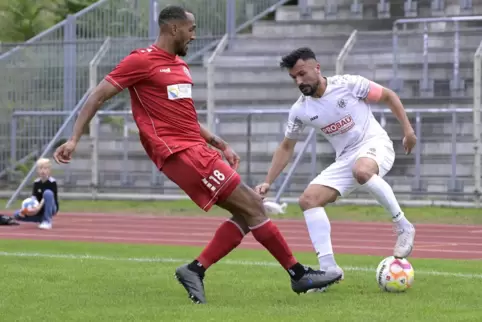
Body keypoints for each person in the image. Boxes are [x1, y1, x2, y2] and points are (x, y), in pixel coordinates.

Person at [52, 6, 342, 304]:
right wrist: (74, 138)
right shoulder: (141, 61)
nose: (194, 35)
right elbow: (97, 95)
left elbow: (186, 118)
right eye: (191, 29)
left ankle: (195, 269)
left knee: (247, 214)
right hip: (179, 153)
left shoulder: (181, 67)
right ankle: (298, 275)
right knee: (254, 205)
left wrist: (219, 143)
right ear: (173, 29)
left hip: (198, 149)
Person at [255, 47, 417, 291]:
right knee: (308, 200)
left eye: (302, 74)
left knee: (362, 171)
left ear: (317, 68)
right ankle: (329, 269)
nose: (299, 81)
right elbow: (286, 147)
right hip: (346, 159)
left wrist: (408, 130)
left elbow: (388, 96)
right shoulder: (300, 110)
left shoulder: (350, 84)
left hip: (375, 145)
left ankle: (403, 225)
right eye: (294, 78)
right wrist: (268, 181)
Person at [13, 158, 59, 229]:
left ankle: (47, 221)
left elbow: (46, 197)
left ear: (49, 170)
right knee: (16, 214)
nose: (43, 170)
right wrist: (27, 210)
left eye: (45, 168)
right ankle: (41, 219)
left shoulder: (52, 182)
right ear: (37, 170)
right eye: (40, 168)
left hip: (51, 207)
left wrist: (38, 207)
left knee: (47, 193)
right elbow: (34, 198)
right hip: (38, 209)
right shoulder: (36, 182)